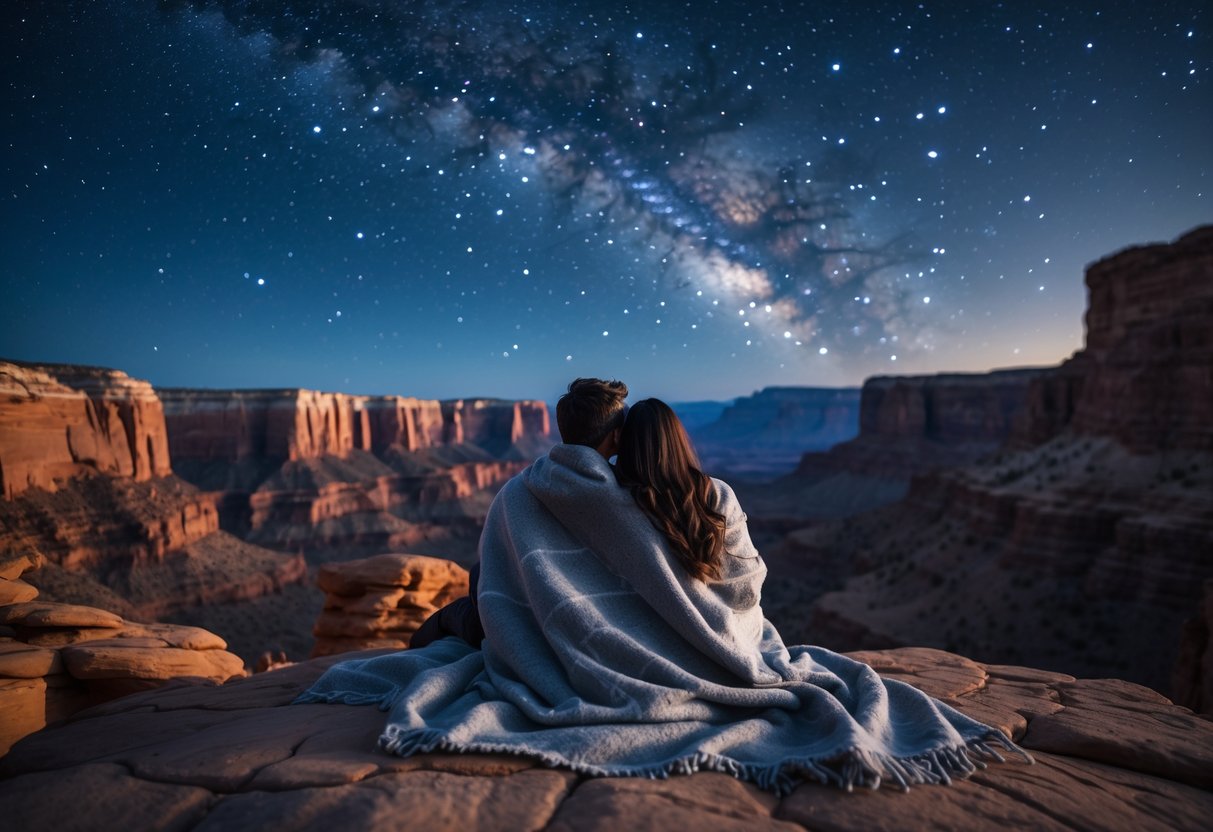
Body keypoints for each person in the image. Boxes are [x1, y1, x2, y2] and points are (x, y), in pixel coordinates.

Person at [299, 377, 1027, 793]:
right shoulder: (704, 497)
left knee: (452, 625)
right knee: (463, 618)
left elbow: (506, 581)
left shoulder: (530, 491)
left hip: (554, 634)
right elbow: (744, 585)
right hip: (727, 648)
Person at [408, 377, 630, 649]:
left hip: (514, 620)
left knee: (458, 607)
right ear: (617, 436)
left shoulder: (519, 488)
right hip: (584, 623)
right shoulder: (627, 497)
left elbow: (492, 564)